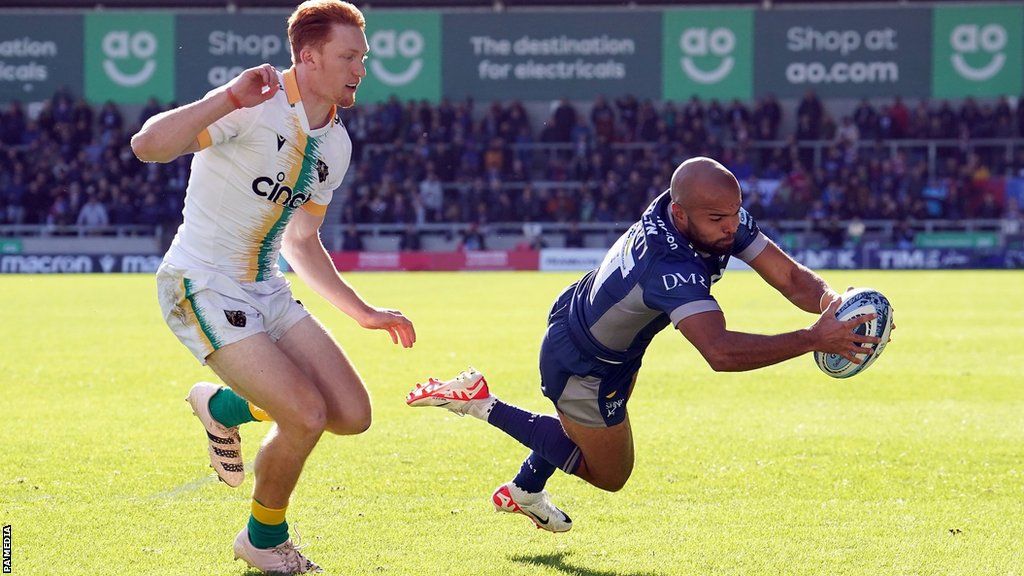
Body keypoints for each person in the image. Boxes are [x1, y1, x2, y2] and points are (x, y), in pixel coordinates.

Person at [407, 157, 881, 533]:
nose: (731, 228)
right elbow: (720, 352)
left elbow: (792, 278)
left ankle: (525, 489)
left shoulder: (699, 212)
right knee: (609, 473)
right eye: (719, 219)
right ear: (681, 213)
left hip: (600, 331)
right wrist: (814, 339)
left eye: (736, 214)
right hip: (583, 365)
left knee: (589, 435)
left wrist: (836, 305)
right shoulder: (668, 264)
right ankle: (480, 403)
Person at [132, 1, 415, 573]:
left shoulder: (335, 143)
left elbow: (302, 241)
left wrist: (361, 312)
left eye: (363, 56)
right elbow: (148, 145)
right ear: (309, 57)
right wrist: (225, 98)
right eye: (349, 56)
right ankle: (263, 539)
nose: (362, 68)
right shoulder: (251, 104)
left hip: (267, 290)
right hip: (202, 284)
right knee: (305, 415)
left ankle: (223, 406)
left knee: (351, 415)